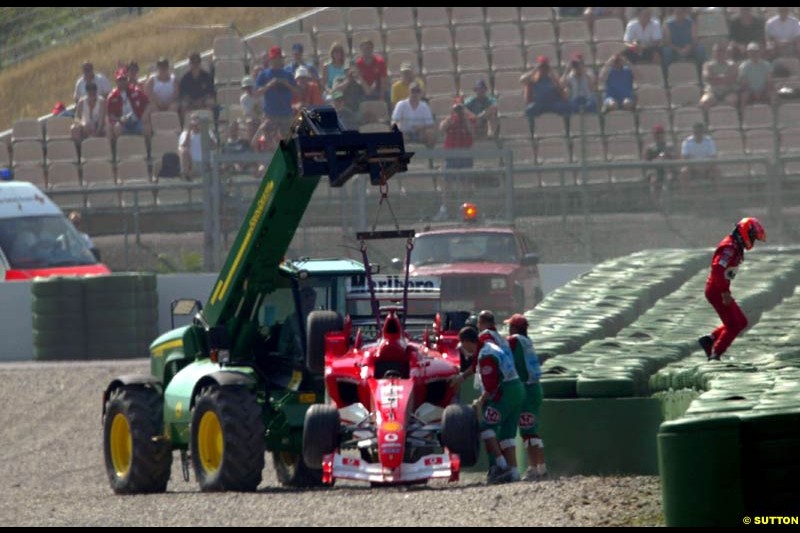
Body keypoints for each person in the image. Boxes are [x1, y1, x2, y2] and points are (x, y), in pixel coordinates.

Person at [456, 325, 524, 484]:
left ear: (467, 342)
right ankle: (514, 473)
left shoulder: (485, 356)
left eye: (462, 344)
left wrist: (481, 400)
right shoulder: (489, 347)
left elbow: (492, 386)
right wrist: (461, 377)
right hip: (517, 389)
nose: (462, 349)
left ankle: (501, 465)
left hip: (506, 393)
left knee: (486, 428)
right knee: (507, 435)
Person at [699, 218, 767, 361]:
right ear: (745, 233)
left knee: (741, 321)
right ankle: (715, 355)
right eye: (753, 237)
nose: (753, 241)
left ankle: (709, 340)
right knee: (733, 326)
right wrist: (724, 292)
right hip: (717, 290)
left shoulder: (735, 246)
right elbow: (718, 268)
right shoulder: (729, 247)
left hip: (720, 289)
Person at [505, 314, 546, 481]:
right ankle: (538, 468)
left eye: (510, 326)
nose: (509, 329)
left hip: (527, 389)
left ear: (514, 328)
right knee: (529, 430)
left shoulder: (515, 341)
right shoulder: (527, 341)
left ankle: (537, 468)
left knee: (529, 432)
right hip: (535, 388)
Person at [437, 96, 477, 220]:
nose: (459, 110)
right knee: (447, 184)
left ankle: (466, 210)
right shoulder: (451, 119)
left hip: (465, 155)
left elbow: (473, 133)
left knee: (466, 184)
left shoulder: (469, 119)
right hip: (451, 155)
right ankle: (444, 209)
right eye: (457, 107)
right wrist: (451, 116)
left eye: (460, 107)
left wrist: (465, 117)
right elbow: (442, 128)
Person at [256, 46, 298, 134]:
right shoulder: (263, 74)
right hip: (270, 114)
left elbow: (297, 92)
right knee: (269, 139)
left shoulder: (288, 74)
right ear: (270, 59)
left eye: (279, 58)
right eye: (274, 58)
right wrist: (269, 85)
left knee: (288, 140)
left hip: (286, 113)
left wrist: (287, 85)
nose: (277, 60)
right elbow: (257, 93)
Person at [521, 56, 569, 132]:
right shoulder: (534, 79)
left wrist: (552, 73)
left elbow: (561, 87)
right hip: (539, 104)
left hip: (553, 103)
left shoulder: (552, 79)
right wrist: (536, 69)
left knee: (565, 108)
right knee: (529, 110)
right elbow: (522, 79)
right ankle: (532, 131)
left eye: (545, 67)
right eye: (542, 67)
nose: (544, 70)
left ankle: (566, 130)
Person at [106, 68, 151, 144]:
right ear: (116, 81)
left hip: (137, 121)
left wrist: (145, 114)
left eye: (124, 79)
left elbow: (148, 103)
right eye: (120, 80)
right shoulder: (112, 97)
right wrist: (119, 119)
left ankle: (148, 150)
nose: (122, 82)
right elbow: (110, 115)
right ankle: (122, 149)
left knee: (146, 128)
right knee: (117, 128)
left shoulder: (136, 91)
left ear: (127, 80)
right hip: (123, 123)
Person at [661, 7, 705, 76]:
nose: (679, 15)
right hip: (674, 49)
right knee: (666, 51)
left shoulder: (691, 23)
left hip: (689, 48)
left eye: (681, 13)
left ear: (685, 13)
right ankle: (666, 75)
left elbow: (695, 39)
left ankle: (701, 73)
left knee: (700, 49)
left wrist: (690, 47)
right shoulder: (667, 24)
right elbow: (667, 42)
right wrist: (678, 49)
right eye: (677, 13)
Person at [279, 286, 317, 362]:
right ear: (300, 300)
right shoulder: (291, 320)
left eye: (312, 297)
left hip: (317, 362)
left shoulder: (321, 320)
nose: (309, 300)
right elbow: (282, 347)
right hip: (296, 364)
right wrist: (294, 346)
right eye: (306, 297)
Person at [391, 82, 435, 147]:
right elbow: (394, 121)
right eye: (413, 90)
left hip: (420, 132)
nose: (415, 93)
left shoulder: (424, 106)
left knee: (430, 133)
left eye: (417, 91)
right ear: (409, 91)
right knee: (399, 134)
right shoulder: (401, 104)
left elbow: (430, 124)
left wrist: (421, 128)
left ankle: (430, 155)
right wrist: (399, 127)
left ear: (420, 93)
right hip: (404, 132)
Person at [679, 122, 719, 192]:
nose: (698, 134)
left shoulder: (709, 141)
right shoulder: (687, 142)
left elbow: (713, 157)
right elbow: (685, 158)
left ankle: (717, 195)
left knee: (717, 171)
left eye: (700, 131)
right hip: (692, 169)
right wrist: (696, 168)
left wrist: (704, 168)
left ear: (703, 132)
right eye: (696, 132)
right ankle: (685, 196)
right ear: (693, 132)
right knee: (684, 172)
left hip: (707, 168)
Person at [643, 124, 676, 205]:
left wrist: (667, 156)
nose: (659, 135)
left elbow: (675, 158)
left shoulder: (669, 146)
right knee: (654, 181)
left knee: (668, 178)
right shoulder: (650, 148)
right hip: (654, 170)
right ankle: (656, 203)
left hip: (667, 169)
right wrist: (656, 160)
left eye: (660, 133)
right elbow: (646, 162)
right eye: (657, 133)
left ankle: (666, 203)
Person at [179, 52, 216, 124]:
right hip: (190, 102)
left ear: (200, 63)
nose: (195, 65)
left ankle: (209, 125)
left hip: (203, 102)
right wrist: (193, 102)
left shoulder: (207, 77)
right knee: (183, 105)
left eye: (197, 62)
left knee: (210, 102)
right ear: (190, 64)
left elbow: (210, 93)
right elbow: (183, 95)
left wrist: (201, 101)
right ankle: (186, 126)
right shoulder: (185, 78)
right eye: (193, 63)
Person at [700, 43, 739, 111]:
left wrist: (715, 77)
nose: (718, 53)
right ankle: (707, 121)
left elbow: (731, 79)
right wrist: (724, 77)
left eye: (721, 51)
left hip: (728, 91)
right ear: (713, 53)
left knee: (732, 101)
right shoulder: (707, 65)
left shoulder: (732, 65)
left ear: (725, 52)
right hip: (712, 92)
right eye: (716, 51)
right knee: (704, 102)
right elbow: (708, 78)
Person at [738, 42, 774, 113]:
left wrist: (761, 91)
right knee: (744, 96)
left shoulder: (766, 65)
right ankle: (743, 118)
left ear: (759, 52)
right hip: (749, 91)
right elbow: (744, 84)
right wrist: (753, 92)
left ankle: (773, 117)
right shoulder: (743, 66)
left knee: (772, 95)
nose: (753, 54)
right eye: (750, 52)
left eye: (755, 52)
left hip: (764, 90)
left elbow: (769, 82)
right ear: (747, 53)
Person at [179, 113, 217, 178]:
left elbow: (214, 146)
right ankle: (187, 175)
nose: (195, 123)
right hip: (191, 164)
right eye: (193, 119)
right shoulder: (184, 133)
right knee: (183, 151)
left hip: (204, 162)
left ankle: (192, 175)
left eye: (197, 119)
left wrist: (203, 131)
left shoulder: (208, 132)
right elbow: (184, 146)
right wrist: (189, 132)